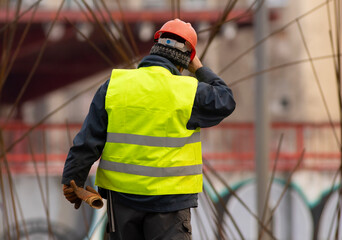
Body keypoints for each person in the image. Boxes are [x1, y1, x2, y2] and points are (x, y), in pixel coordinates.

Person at [62, 18, 236, 240]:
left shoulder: (115, 86)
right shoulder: (187, 92)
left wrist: (71, 180)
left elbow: (88, 141)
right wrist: (199, 68)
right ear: (185, 60)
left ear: (155, 48)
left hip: (122, 203)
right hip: (169, 204)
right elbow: (226, 100)